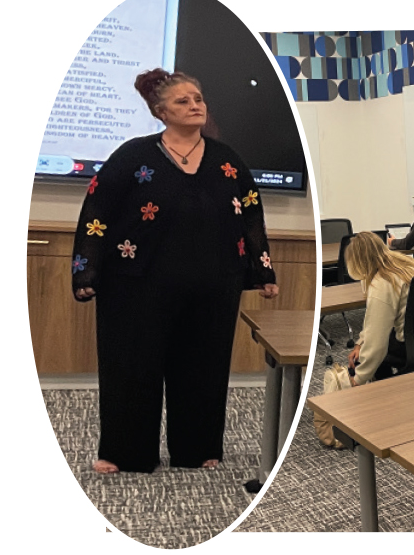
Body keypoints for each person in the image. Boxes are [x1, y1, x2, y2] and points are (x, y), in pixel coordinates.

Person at [71, 68, 279, 474]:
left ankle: (198, 448)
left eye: (198, 99)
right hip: (134, 286)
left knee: (205, 368)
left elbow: (252, 214)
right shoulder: (132, 156)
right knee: (131, 367)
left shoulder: (227, 161)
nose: (195, 105)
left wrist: (263, 269)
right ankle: (123, 453)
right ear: (161, 111)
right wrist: (86, 272)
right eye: (183, 101)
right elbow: (97, 212)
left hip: (214, 286)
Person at [344, 232, 414, 385]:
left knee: (372, 355)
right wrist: (360, 343)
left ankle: (384, 393)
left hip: (413, 345)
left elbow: (377, 341)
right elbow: (374, 322)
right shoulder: (409, 264)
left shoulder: (382, 283)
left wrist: (358, 378)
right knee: (368, 346)